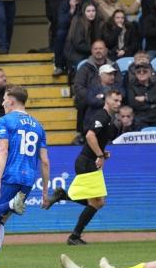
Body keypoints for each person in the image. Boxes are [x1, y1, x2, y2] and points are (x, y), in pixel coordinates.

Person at [0, 85, 50, 268]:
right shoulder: (39, 126)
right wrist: (44, 192)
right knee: (1, 219)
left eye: (4, 98)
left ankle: (11, 204)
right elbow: (44, 161)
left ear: (11, 100)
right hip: (28, 181)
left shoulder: (5, 121)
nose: (2, 101)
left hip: (10, 176)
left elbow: (3, 149)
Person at [45, 90, 123, 245]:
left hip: (86, 160)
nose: (118, 103)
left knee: (97, 202)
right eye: (115, 100)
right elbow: (89, 136)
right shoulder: (102, 115)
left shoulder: (107, 118)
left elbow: (95, 140)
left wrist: (101, 153)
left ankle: (64, 198)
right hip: (86, 162)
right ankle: (74, 236)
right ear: (107, 100)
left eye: (120, 101)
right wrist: (100, 156)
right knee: (97, 202)